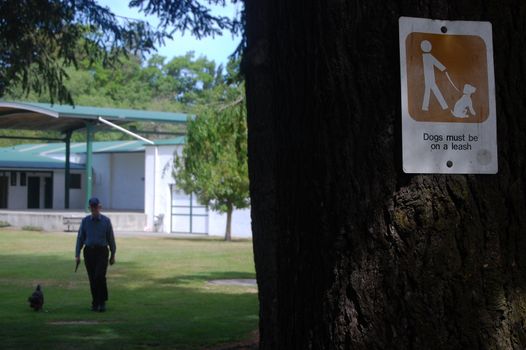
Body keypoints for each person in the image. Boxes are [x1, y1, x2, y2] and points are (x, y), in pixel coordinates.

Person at [75, 197, 116, 312]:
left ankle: (102, 302)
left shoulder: (106, 221)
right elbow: (80, 238)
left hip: (102, 252)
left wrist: (113, 254)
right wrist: (77, 254)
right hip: (89, 252)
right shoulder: (85, 221)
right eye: (91, 207)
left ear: (99, 207)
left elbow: (111, 238)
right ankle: (95, 302)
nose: (94, 209)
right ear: (90, 208)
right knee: (92, 278)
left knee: (99, 276)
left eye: (95, 206)